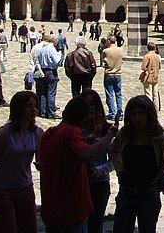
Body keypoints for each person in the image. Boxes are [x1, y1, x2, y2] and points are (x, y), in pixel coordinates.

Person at [37, 97, 118, 232]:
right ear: (83, 120)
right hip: (71, 208)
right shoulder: (72, 132)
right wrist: (109, 136)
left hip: (51, 206)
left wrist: (93, 136)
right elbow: (86, 153)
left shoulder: (48, 134)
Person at [110, 95, 164, 233]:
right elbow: (114, 150)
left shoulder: (159, 137)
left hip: (148, 193)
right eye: (133, 114)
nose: (137, 118)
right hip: (126, 192)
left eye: (141, 113)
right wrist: (120, 170)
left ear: (148, 114)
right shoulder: (125, 134)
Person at [0, 90, 42, 233]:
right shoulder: (3, 134)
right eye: (29, 106)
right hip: (3, 190)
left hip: (25, 188)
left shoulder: (38, 133)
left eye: (35, 106)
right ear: (19, 108)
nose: (33, 110)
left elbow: (40, 161)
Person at [79, 90, 114, 233]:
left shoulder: (106, 130)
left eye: (92, 104)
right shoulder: (76, 129)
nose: (89, 107)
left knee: (95, 224)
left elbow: (114, 160)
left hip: (99, 184)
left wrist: (99, 171)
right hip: (79, 182)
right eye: (86, 104)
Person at [37, 34, 62, 119]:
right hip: (51, 71)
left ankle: (43, 112)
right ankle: (51, 113)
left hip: (43, 71)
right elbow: (56, 61)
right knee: (51, 93)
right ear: (54, 41)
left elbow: (37, 60)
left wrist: (40, 70)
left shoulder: (43, 49)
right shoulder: (52, 49)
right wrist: (60, 55)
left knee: (43, 93)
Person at [102, 35, 124, 120]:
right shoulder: (120, 50)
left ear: (108, 42)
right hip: (118, 74)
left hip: (109, 74)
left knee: (109, 94)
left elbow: (104, 61)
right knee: (119, 94)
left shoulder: (106, 51)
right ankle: (120, 114)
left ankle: (112, 113)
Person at [141, 42, 161, 109]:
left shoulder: (147, 56)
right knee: (155, 94)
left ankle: (148, 108)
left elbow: (143, 67)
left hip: (148, 77)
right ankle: (156, 108)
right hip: (155, 77)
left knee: (148, 93)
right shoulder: (157, 56)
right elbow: (160, 67)